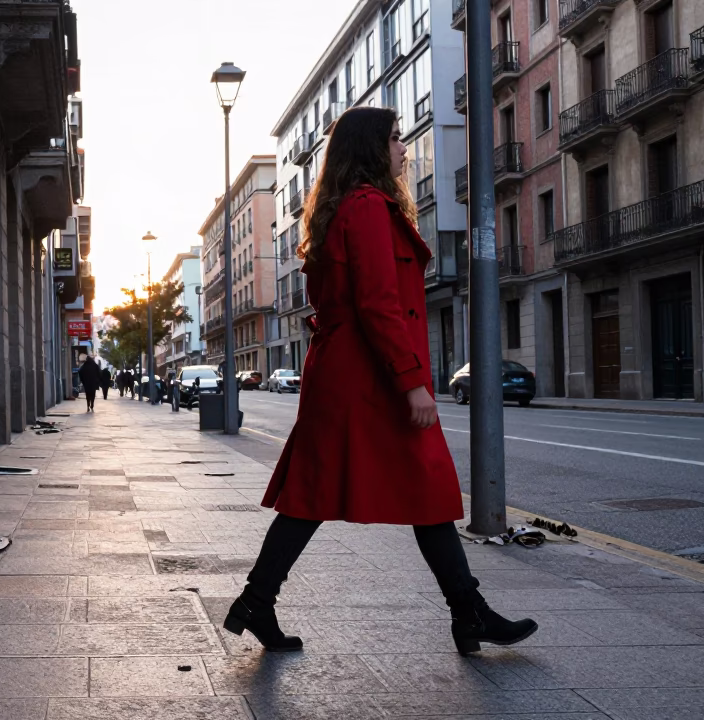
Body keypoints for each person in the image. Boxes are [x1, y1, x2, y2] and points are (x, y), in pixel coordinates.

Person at [224, 106, 538, 655]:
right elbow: (378, 303)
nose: (403, 149)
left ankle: (258, 602)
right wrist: (413, 382)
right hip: (368, 379)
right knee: (391, 490)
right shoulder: (367, 208)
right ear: (372, 148)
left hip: (352, 374)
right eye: (395, 139)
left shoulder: (348, 207)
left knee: (379, 492)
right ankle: (468, 613)